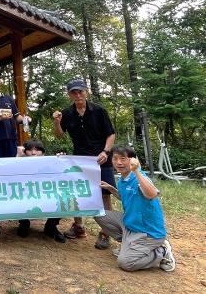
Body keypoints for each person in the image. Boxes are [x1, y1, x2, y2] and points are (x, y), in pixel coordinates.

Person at [53, 79, 115, 249]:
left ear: (86, 92)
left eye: (80, 91)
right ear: (69, 94)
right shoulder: (67, 113)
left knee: (104, 195)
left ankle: (106, 232)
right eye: (74, 92)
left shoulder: (99, 111)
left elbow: (111, 134)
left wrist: (106, 151)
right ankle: (79, 226)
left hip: (102, 159)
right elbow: (59, 135)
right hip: (80, 160)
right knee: (77, 192)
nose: (78, 95)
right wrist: (57, 122)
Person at [96, 146, 176, 272]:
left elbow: (152, 194)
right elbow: (125, 197)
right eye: (115, 159)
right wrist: (111, 188)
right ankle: (129, 246)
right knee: (99, 214)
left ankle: (161, 251)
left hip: (148, 232)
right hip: (131, 225)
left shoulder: (139, 178)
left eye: (123, 159)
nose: (118, 162)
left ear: (132, 160)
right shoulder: (123, 179)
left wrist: (137, 171)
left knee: (125, 263)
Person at [16, 139, 66, 243]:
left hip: (45, 196)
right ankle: (24, 223)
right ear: (25, 152)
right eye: (30, 150)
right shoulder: (19, 163)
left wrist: (61, 160)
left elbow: (63, 174)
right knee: (16, 196)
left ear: (43, 153)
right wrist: (18, 156)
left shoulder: (50, 163)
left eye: (37, 150)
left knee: (64, 197)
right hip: (27, 196)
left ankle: (51, 226)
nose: (33, 153)